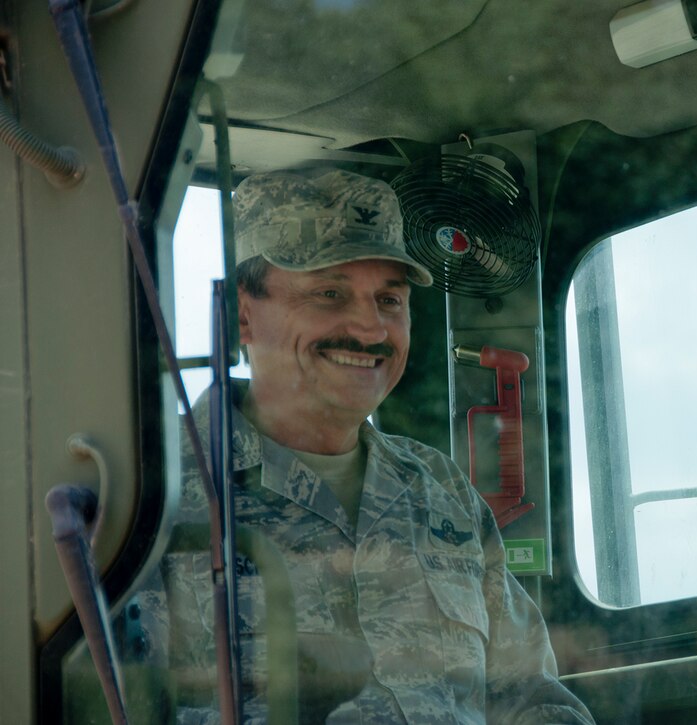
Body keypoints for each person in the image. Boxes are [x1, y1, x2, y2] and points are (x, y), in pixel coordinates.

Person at [155, 169, 594, 724]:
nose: (369, 329)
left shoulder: (440, 489)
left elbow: (531, 693)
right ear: (243, 314)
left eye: (389, 299)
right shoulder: (160, 486)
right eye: (330, 293)